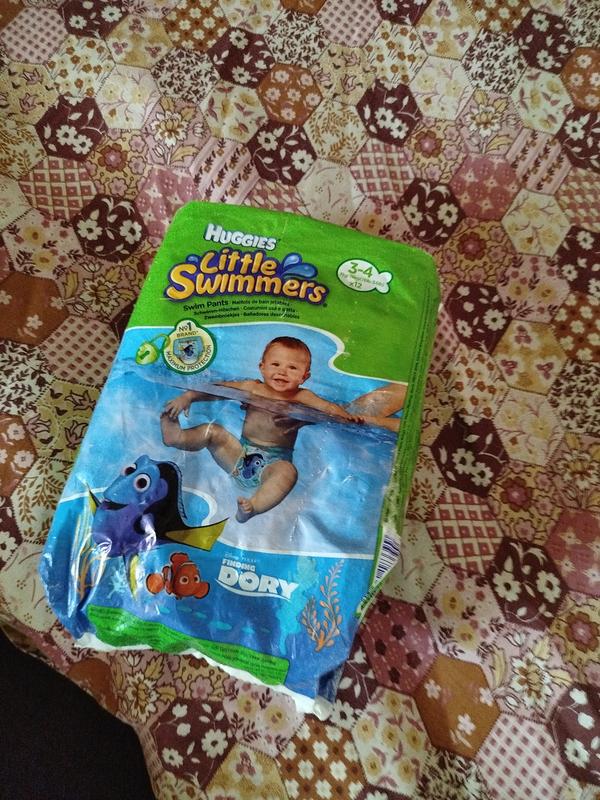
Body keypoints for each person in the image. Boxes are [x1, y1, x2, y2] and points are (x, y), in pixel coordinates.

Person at [161, 336, 365, 523]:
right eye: (276, 364)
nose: (282, 371)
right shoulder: (252, 388)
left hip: (273, 465)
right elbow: (217, 389)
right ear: (262, 367)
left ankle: (253, 508)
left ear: (305, 376)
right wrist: (188, 396)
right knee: (213, 431)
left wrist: (344, 416)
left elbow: (327, 408)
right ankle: (176, 437)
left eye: (293, 368)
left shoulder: (303, 398)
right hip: (239, 455)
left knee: (288, 471)